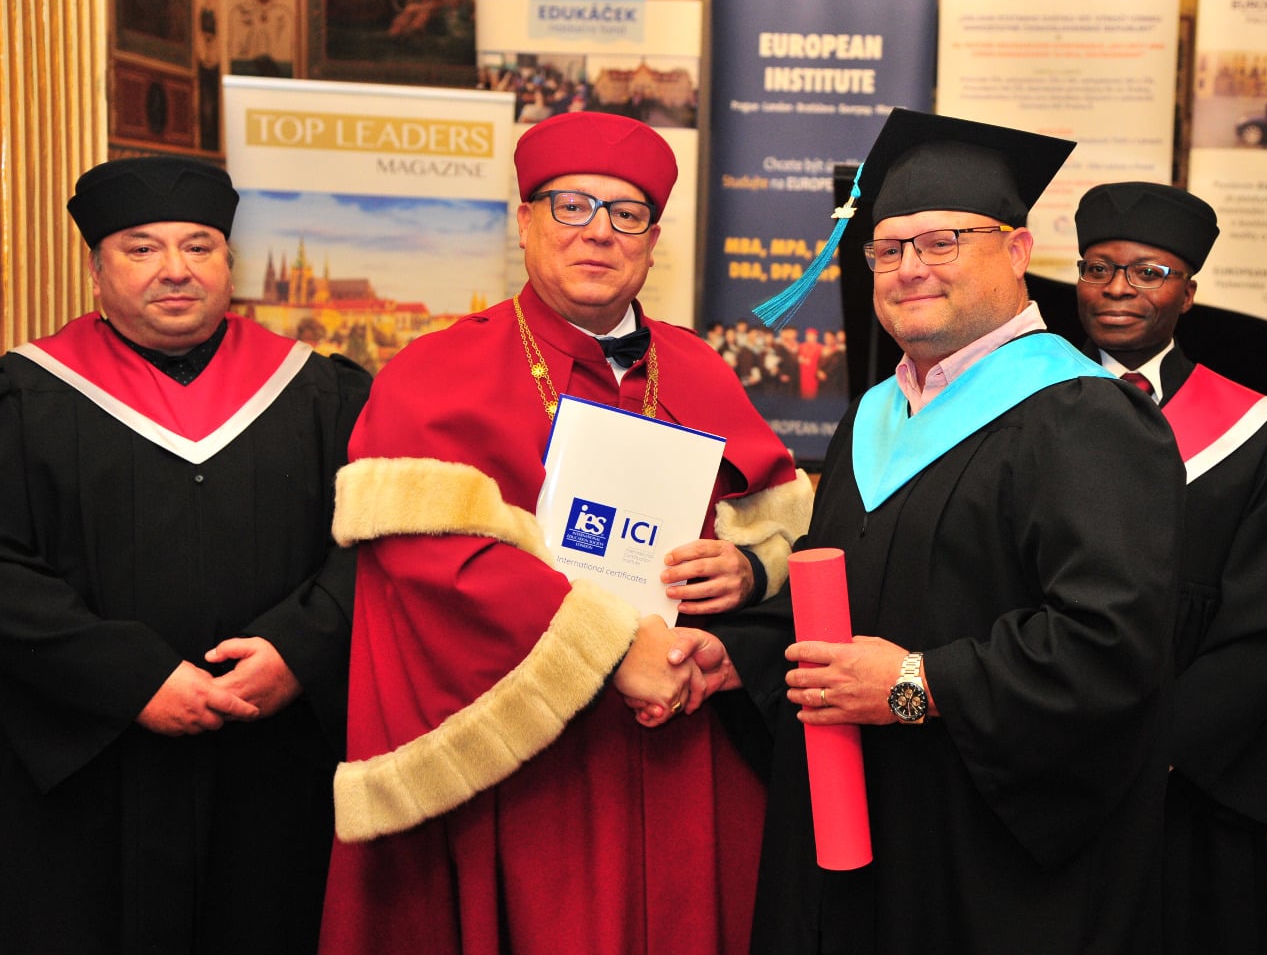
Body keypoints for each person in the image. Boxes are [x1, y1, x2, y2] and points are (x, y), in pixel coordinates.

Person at [669, 108, 1185, 953]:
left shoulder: (1085, 418)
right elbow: (841, 589)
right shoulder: (873, 416)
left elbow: (1112, 643)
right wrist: (741, 653)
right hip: (847, 818)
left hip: (984, 852)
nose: (910, 267)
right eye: (887, 249)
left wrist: (916, 683)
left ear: (1017, 251)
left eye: (942, 242)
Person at [318, 111, 812, 955]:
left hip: (682, 746)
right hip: (525, 767)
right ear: (525, 222)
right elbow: (438, 564)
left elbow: (781, 522)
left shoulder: (698, 367)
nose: (599, 232)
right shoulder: (433, 373)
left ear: (652, 241)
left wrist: (750, 569)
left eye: (626, 214)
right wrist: (612, 649)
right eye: (571, 206)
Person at [0, 156, 371, 953]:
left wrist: (297, 650)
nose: (176, 269)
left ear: (228, 262)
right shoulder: (24, 397)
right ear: (96, 270)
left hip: (272, 764)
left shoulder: (321, 394)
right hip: (88, 770)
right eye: (141, 248)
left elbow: (374, 544)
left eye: (199, 246)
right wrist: (130, 678)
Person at [1074, 182, 1267, 955]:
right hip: (1043, 754)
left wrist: (1161, 747)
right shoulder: (1022, 408)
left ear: (1188, 293)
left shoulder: (1263, 435)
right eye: (1098, 268)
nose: (1118, 288)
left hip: (1189, 769)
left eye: (1149, 272)